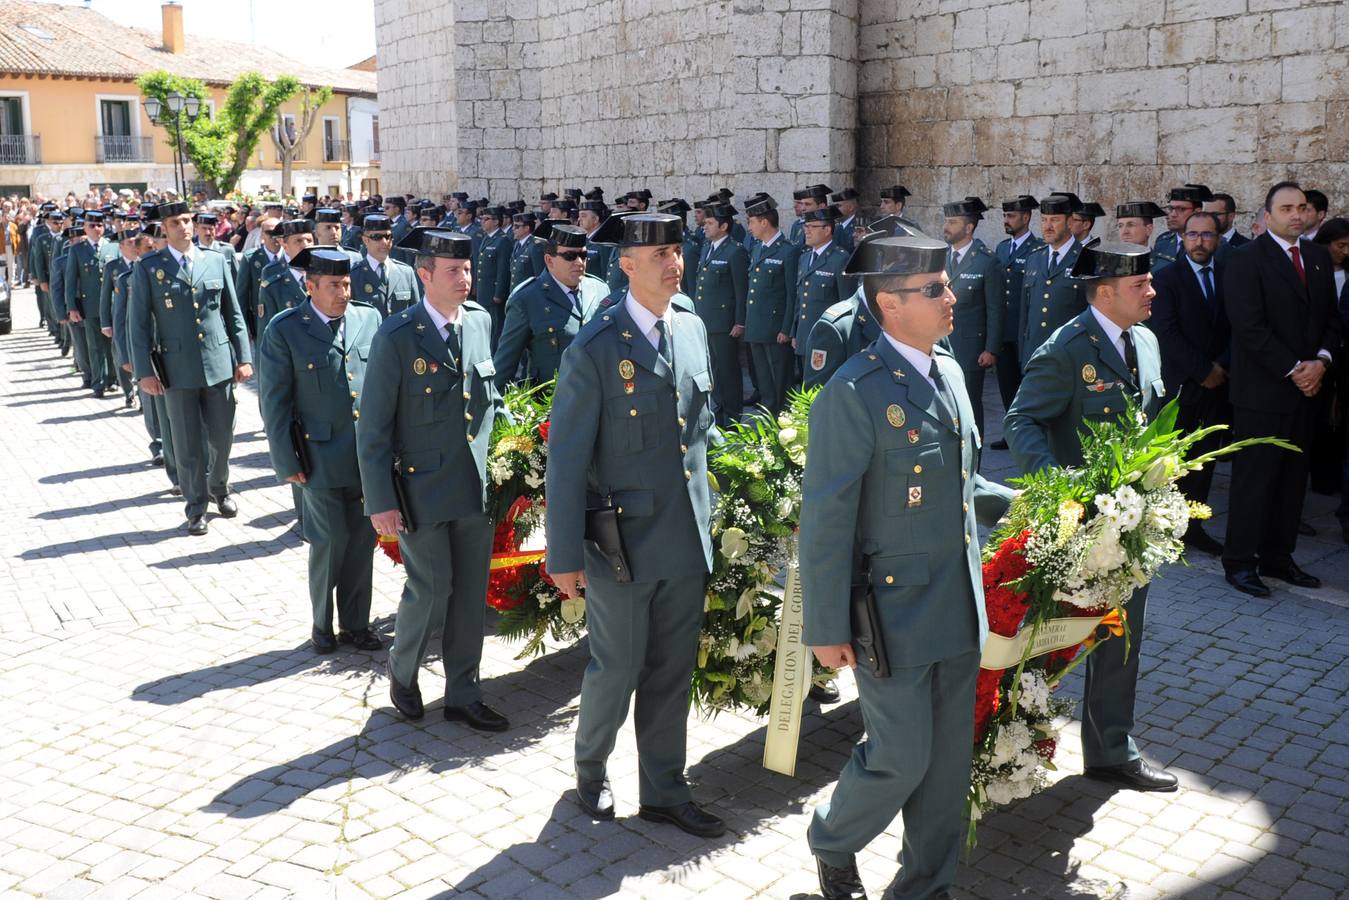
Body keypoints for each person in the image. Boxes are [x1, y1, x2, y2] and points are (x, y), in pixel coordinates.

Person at [800, 234, 1014, 900]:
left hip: (956, 602)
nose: (952, 298)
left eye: (946, 285)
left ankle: (927, 883)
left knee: (948, 764)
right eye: (935, 290)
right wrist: (824, 624)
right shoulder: (853, 391)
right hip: (889, 612)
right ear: (889, 303)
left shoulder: (948, 371)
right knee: (900, 757)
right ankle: (832, 839)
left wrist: (1037, 505)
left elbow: (961, 484)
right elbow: (827, 517)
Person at [545, 212, 725, 839]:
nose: (674, 262)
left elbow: (702, 431)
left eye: (677, 250)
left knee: (671, 669)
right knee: (616, 669)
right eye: (659, 255)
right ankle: (590, 769)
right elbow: (565, 459)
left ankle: (664, 789)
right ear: (626, 264)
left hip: (683, 535)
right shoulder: (596, 347)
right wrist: (562, 556)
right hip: (620, 543)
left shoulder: (694, 328)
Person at [1005, 239, 1178, 794]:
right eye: (1139, 285)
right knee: (1051, 635)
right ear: (1105, 293)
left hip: (1129, 525)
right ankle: (1006, 744)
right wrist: (1062, 490)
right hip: (1075, 525)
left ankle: (1110, 749)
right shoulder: (1066, 348)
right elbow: (1022, 421)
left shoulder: (1146, 340)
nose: (1151, 291)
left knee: (1121, 634)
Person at [357, 229, 509, 732]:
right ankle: (403, 671)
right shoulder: (397, 336)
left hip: (474, 487)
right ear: (425, 275)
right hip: (420, 489)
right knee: (431, 587)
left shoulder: (481, 323)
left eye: (467, 270)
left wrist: (512, 457)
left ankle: (464, 692)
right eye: (452, 271)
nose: (464, 279)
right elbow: (374, 427)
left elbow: (490, 403)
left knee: (470, 593)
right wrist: (380, 500)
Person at [258, 248, 384, 655]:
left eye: (347, 284)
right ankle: (321, 624)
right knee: (329, 541)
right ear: (310, 287)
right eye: (333, 285)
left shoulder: (369, 318)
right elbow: (274, 400)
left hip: (366, 458)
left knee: (362, 543)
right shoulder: (286, 329)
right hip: (318, 459)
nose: (343, 293)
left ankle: (356, 624)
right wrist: (286, 460)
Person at [1222, 182, 1341, 597]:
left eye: (1302, 207)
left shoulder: (1318, 256)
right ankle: (1239, 562)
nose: (1296, 214)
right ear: (1267, 215)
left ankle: (1278, 557)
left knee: (1293, 482)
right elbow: (1249, 328)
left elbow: (1331, 317)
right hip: (1263, 392)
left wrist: (1322, 361)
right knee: (1255, 481)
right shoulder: (1244, 259)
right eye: (1287, 208)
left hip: (1308, 391)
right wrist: (1296, 369)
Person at [128, 200, 252, 536]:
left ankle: (220, 487)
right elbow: (137, 325)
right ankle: (196, 506)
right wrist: (144, 372)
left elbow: (233, 313)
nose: (183, 227)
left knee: (222, 436)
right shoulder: (149, 267)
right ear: (164, 229)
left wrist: (244, 357)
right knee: (186, 443)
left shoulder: (216, 260)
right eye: (175, 222)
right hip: (176, 368)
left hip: (219, 363)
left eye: (187, 220)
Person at [1148, 211, 1231, 556]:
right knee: (1173, 462)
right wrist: (1203, 371)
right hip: (1182, 384)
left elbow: (1236, 326)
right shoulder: (1167, 278)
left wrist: (1221, 367)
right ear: (1183, 239)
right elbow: (1166, 333)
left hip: (1219, 384)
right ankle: (1164, 528)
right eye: (1192, 235)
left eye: (1207, 235)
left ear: (1218, 238)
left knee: (1204, 460)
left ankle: (1193, 527)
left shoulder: (1229, 276)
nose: (1200, 241)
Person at [492, 222, 609, 390]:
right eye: (569, 256)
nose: (579, 262)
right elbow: (504, 366)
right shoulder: (527, 298)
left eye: (583, 255)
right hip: (551, 404)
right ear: (549, 260)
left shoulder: (599, 289)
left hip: (599, 398)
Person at [941, 196, 1003, 438]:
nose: (946, 227)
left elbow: (995, 309)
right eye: (946, 221)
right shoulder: (940, 257)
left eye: (952, 222)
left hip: (970, 348)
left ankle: (974, 456)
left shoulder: (986, 261)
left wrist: (991, 349)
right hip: (942, 344)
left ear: (968, 227)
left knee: (970, 405)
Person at [991, 195, 1044, 448]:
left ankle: (1031, 433)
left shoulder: (1038, 249)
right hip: (1004, 328)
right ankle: (1011, 431)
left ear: (1026, 217)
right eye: (1004, 216)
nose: (1006, 221)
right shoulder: (1002, 248)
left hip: (1024, 329)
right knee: (1006, 384)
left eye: (1011, 216)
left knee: (1028, 385)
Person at [742, 193, 800, 414]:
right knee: (765, 383)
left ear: (764, 222)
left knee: (780, 383)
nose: (749, 227)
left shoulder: (788, 250)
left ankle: (783, 426)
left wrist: (787, 328)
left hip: (776, 329)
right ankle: (768, 422)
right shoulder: (758, 248)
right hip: (757, 326)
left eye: (752, 222)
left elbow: (790, 293)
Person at [693, 201, 748, 426]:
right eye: (704, 222)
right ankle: (719, 408)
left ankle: (733, 415)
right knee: (713, 369)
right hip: (706, 320)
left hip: (725, 323)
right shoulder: (708, 248)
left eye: (710, 223)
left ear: (723, 226)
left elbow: (741, 290)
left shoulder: (735, 251)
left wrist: (739, 322)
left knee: (728, 370)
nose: (704, 226)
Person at [1017, 194, 1083, 369]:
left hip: (1070, 354)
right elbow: (1025, 310)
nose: (1047, 226)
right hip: (1035, 352)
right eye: (1044, 220)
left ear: (1069, 222)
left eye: (1054, 220)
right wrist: (1023, 353)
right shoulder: (1034, 257)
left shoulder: (1086, 258)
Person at [792, 206, 858, 376]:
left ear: (827, 229)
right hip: (804, 334)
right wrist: (795, 332)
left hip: (826, 338)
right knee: (805, 385)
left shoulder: (840, 259)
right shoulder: (805, 257)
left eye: (811, 227)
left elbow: (847, 303)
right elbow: (800, 299)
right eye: (805, 227)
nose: (806, 231)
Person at [64, 211, 115, 397]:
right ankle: (99, 382)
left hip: (111, 304)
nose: (96, 229)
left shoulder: (112, 247)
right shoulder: (77, 250)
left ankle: (113, 379)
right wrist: (72, 307)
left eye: (99, 225)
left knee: (112, 345)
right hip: (91, 304)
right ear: (85, 228)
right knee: (95, 345)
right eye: (92, 226)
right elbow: (70, 281)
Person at [349, 214, 421, 317]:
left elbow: (415, 314)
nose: (384, 242)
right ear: (365, 240)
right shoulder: (354, 274)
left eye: (388, 237)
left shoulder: (406, 272)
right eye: (377, 237)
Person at [1154, 184, 1212, 269]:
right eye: (1170, 209)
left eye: (1181, 209)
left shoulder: (1211, 243)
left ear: (1197, 212)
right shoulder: (1163, 242)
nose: (1173, 214)